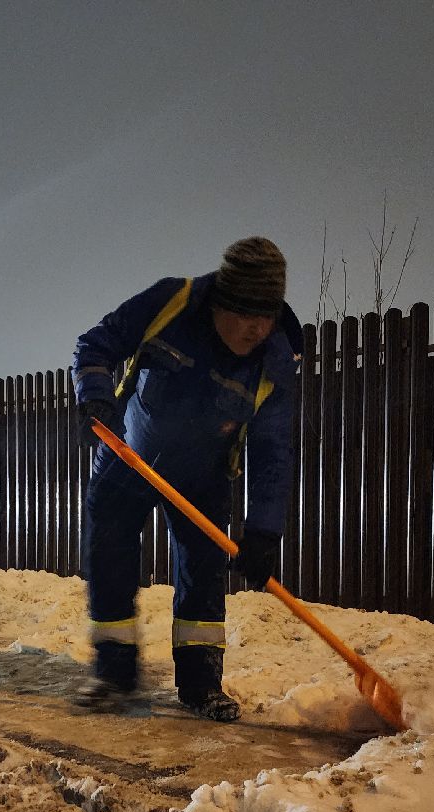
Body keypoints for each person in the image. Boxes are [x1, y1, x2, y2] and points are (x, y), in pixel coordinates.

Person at [71, 236, 301, 723]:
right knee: (109, 559)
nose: (257, 328)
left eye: (268, 316)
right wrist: (95, 396)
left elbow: (272, 448)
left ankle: (200, 685)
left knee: (203, 576)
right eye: (246, 313)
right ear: (222, 304)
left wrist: (263, 530)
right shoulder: (172, 303)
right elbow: (95, 345)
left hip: (204, 476)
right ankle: (113, 675)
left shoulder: (274, 360)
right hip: (129, 457)